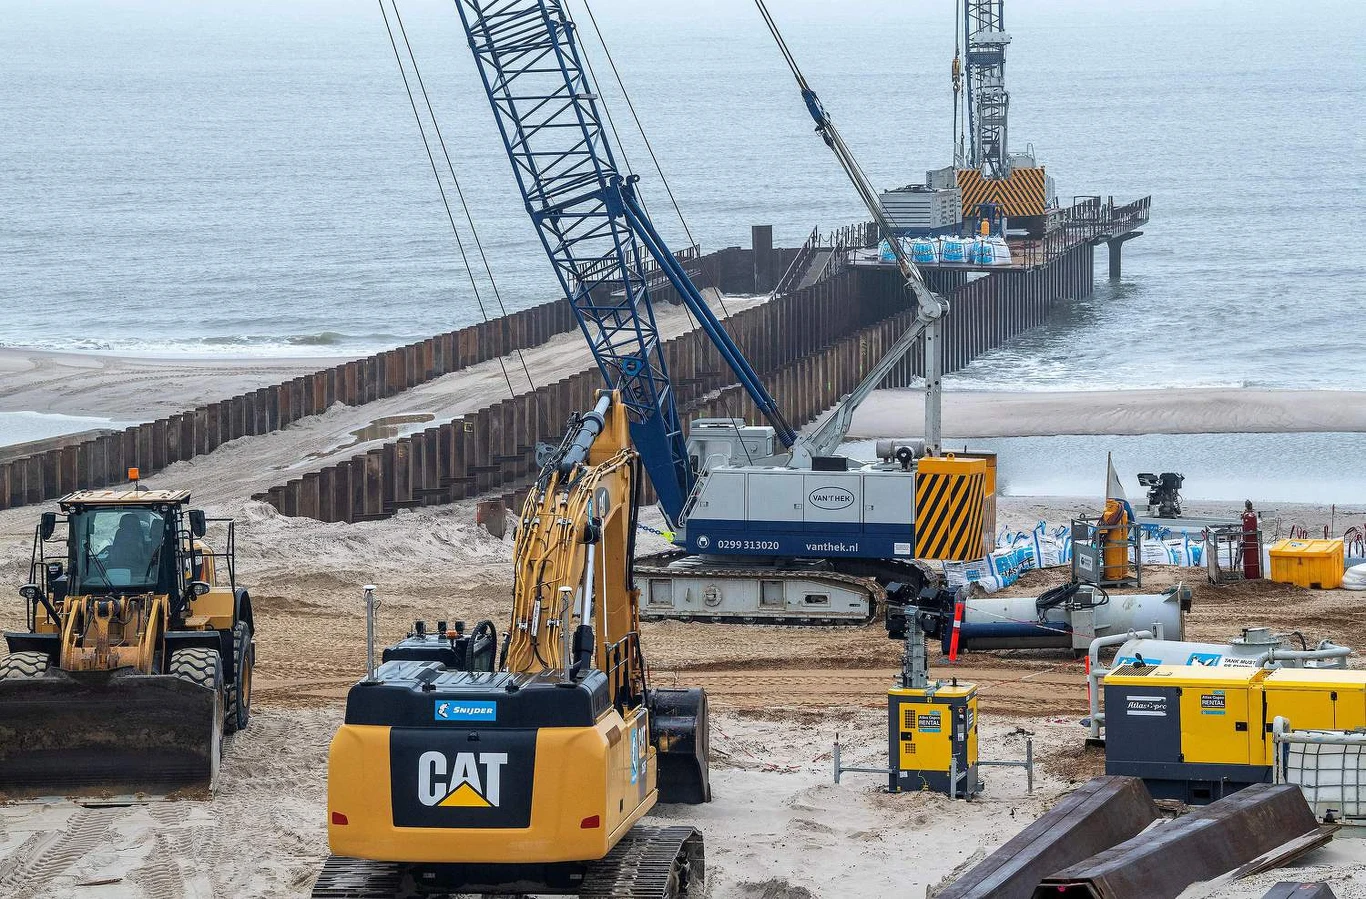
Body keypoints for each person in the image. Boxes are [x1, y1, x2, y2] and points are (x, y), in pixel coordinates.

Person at [1241, 500, 1262, 580]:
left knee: (1249, 560)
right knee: (1253, 559)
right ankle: (1254, 575)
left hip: (1247, 540)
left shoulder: (1246, 515)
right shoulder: (1252, 515)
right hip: (1252, 541)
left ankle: (1249, 575)